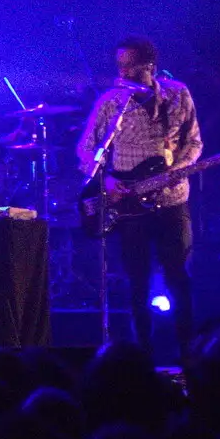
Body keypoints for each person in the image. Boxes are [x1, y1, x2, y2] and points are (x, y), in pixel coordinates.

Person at [76, 35, 201, 359]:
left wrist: (181, 167)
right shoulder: (112, 102)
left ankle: (189, 354)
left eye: (129, 65)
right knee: (137, 280)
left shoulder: (178, 94)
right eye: (120, 65)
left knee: (178, 276)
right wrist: (109, 180)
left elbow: (195, 142)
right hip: (129, 204)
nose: (123, 71)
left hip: (173, 199)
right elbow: (86, 149)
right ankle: (142, 356)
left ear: (150, 65)